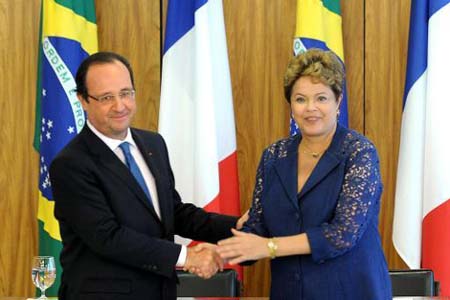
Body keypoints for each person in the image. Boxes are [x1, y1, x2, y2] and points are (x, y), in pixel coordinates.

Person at [49, 51, 246, 300]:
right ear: (83, 100)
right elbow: (108, 237)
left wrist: (236, 227)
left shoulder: (152, 143)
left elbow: (173, 213)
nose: (120, 106)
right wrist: (187, 256)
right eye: (106, 97)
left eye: (126, 93)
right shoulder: (71, 164)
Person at [216, 48, 392, 299]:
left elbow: (342, 235)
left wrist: (269, 247)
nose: (311, 108)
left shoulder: (359, 151)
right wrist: (221, 252)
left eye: (321, 98)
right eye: (300, 99)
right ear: (291, 105)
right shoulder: (274, 156)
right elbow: (257, 227)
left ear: (338, 100)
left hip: (350, 291)